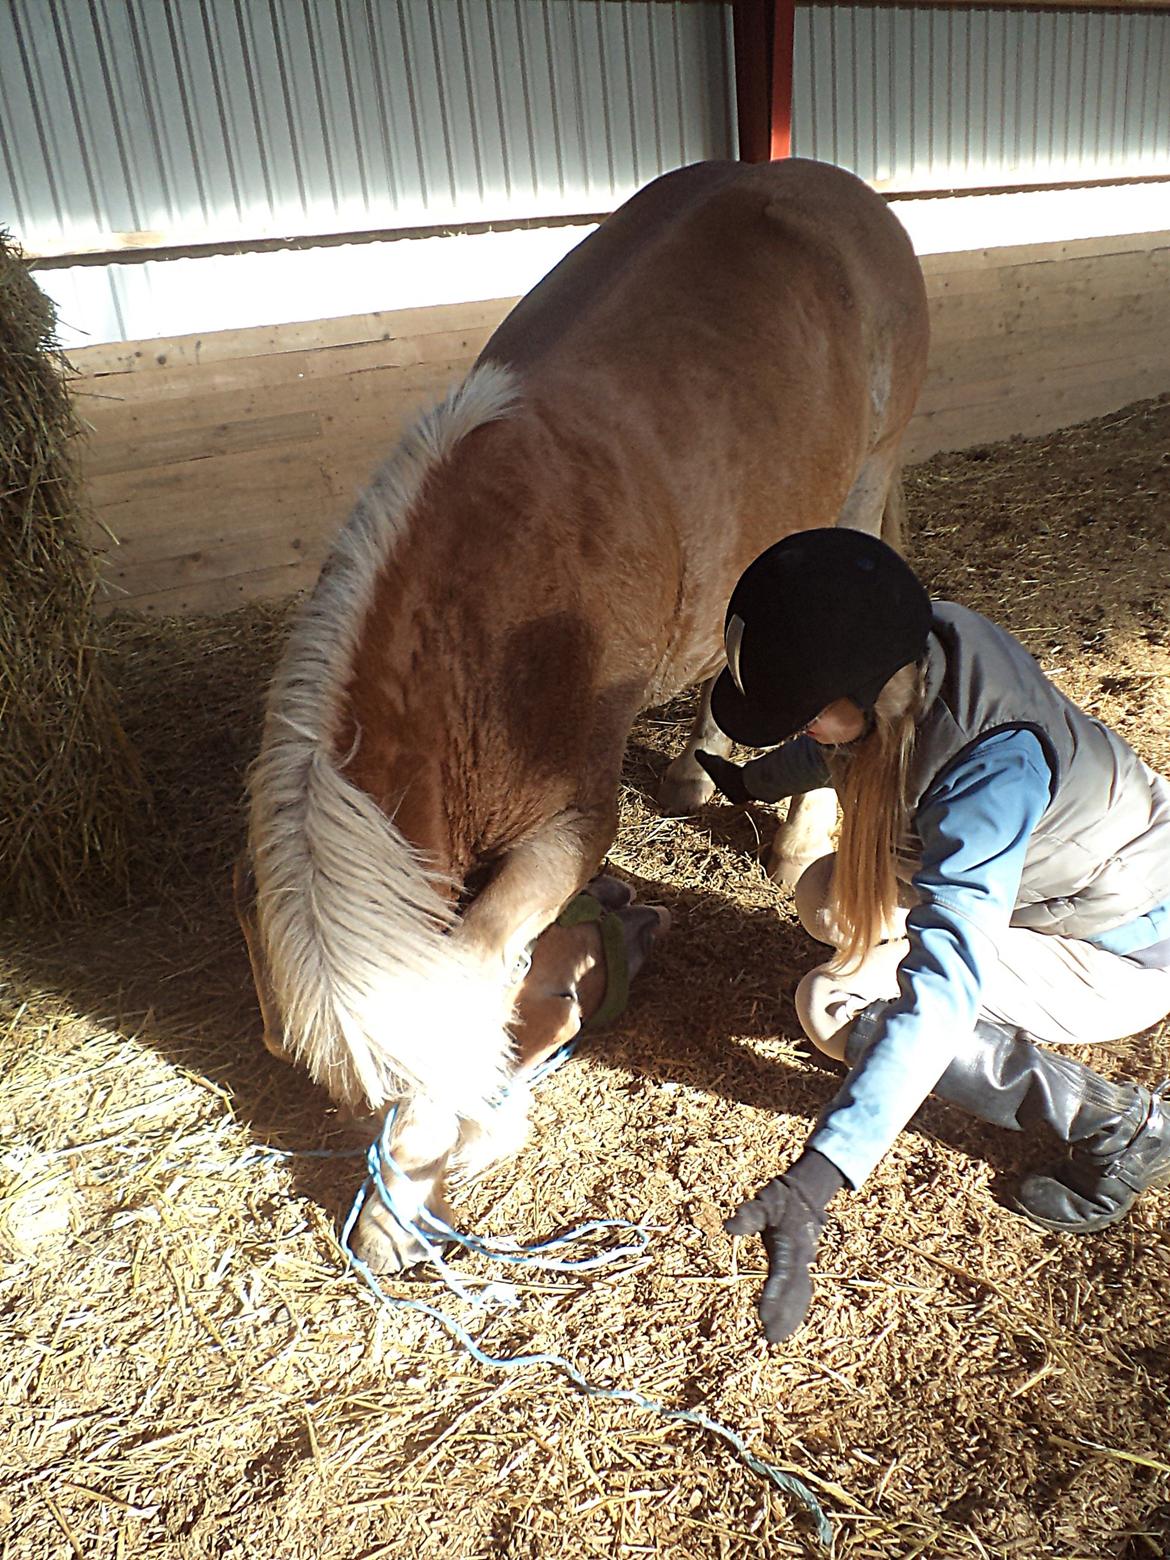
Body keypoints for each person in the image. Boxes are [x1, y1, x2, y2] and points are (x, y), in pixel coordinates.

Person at [695, 527, 1170, 1343]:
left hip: (1117, 948)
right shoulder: (907, 645)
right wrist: (753, 780)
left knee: (833, 1006)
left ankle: (1123, 1127)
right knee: (825, 898)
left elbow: (944, 984)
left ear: (862, 692)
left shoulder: (992, 770)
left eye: (805, 712)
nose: (800, 727)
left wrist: (819, 1176)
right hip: (1045, 890)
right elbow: (834, 750)